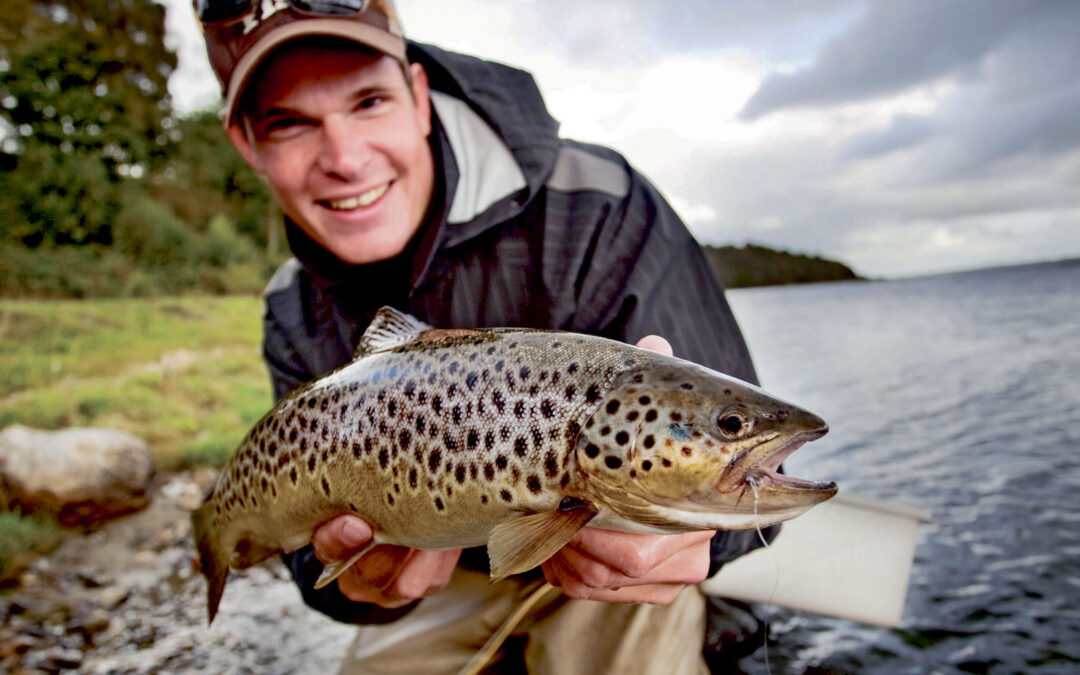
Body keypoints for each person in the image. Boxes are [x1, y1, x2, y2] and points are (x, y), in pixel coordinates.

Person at [196, 0, 772, 671]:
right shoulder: (289, 306)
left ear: (419, 98)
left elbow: (758, 482)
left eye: (370, 101)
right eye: (289, 122)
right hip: (438, 582)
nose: (346, 158)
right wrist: (359, 584)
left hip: (600, 545)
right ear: (246, 144)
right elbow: (303, 555)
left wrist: (696, 535)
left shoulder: (599, 206)